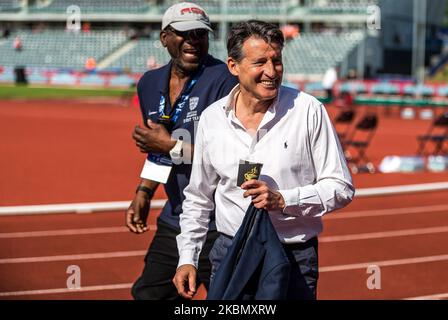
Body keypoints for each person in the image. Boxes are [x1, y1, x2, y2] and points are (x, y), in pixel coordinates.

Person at [173, 20, 354, 300]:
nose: (271, 72)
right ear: (233, 66)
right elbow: (198, 197)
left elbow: (341, 187)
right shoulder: (212, 119)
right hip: (230, 252)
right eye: (260, 62)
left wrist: (284, 200)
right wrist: (187, 257)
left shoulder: (308, 111)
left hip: (292, 257)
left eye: (277, 61)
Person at [125, 2, 238, 300]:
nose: (193, 40)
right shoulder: (149, 84)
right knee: (149, 295)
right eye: (184, 33)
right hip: (177, 216)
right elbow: (158, 145)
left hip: (224, 221)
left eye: (200, 33)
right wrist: (145, 191)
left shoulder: (228, 81)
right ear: (164, 38)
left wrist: (171, 146)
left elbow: (233, 158)